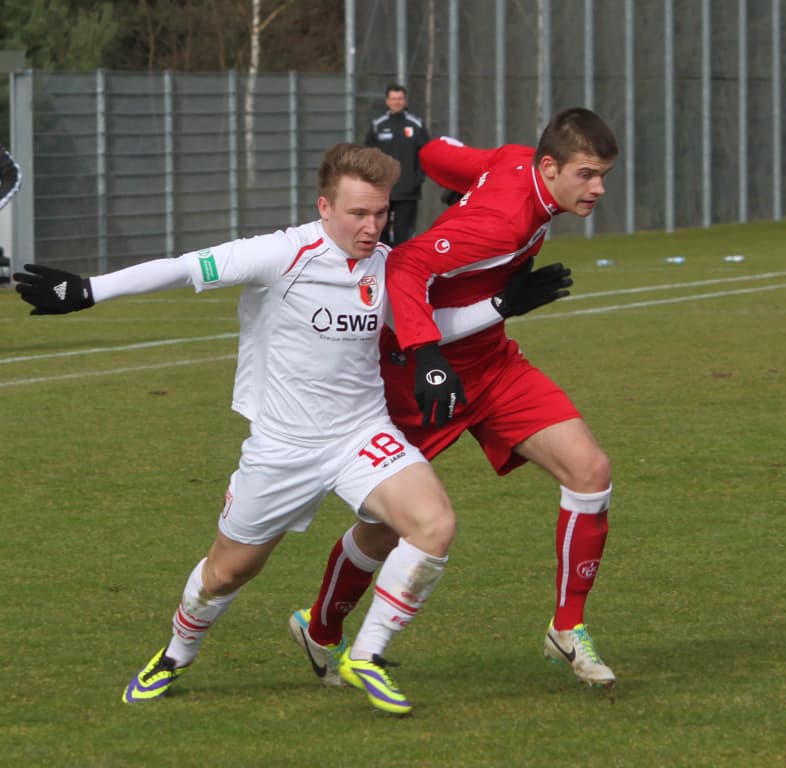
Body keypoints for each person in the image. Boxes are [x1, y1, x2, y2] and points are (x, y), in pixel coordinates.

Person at [13, 143, 569, 715]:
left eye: (381, 214)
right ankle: (175, 654)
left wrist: (502, 303)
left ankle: (366, 655)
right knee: (228, 572)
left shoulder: (388, 263)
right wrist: (88, 290)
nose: (372, 226)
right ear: (325, 207)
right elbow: (185, 266)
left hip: (361, 434)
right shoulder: (281, 253)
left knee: (434, 524)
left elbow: (427, 325)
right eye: (358, 214)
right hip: (282, 447)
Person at [289, 107, 621, 699]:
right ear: (549, 166)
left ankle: (567, 627)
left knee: (591, 472)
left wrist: (461, 184)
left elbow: (437, 151)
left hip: (491, 364)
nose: (598, 188)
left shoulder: (515, 161)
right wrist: (428, 357)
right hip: (420, 370)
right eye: (588, 174)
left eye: (604, 175)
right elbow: (408, 266)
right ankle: (320, 629)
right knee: (387, 527)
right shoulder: (502, 221)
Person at [364, 83, 430, 247]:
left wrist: (417, 179)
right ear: (387, 101)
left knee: (404, 238)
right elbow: (367, 156)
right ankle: (382, 269)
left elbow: (427, 155)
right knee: (380, 235)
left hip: (408, 192)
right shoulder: (378, 125)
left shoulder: (417, 125)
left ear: (405, 100)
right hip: (382, 191)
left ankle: (401, 269)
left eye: (400, 98)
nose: (397, 102)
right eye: (393, 99)